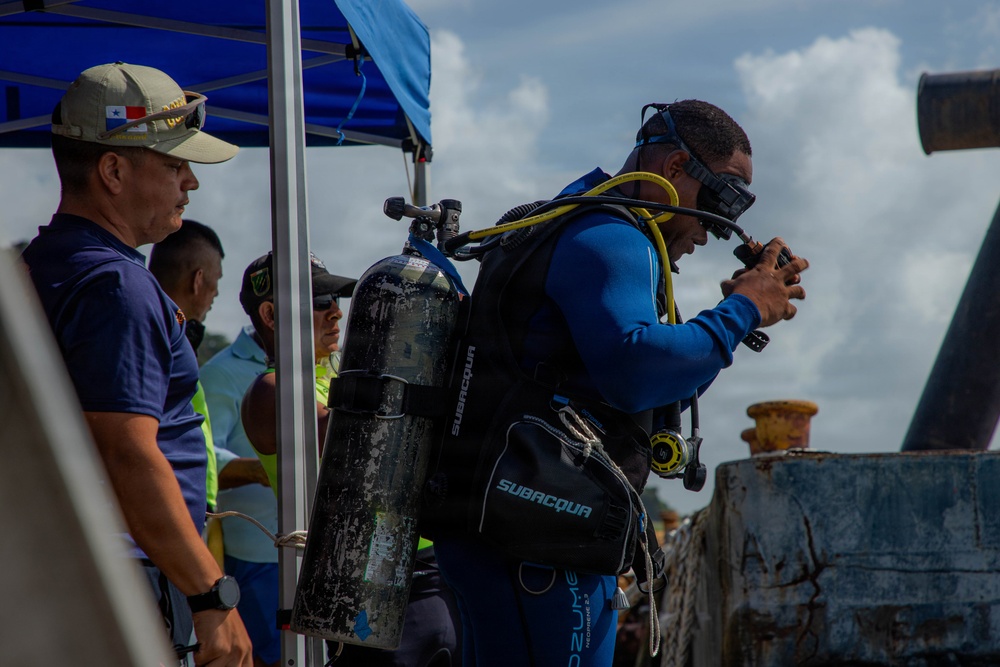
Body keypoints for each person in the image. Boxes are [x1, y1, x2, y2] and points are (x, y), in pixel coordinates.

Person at [428, 99, 809, 666]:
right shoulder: (611, 236)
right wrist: (743, 310)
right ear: (675, 167)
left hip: (504, 535)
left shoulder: (573, 221)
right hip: (538, 547)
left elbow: (647, 393)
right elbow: (636, 371)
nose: (711, 230)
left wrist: (737, 318)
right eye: (718, 200)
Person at [21, 62, 253, 666]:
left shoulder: (43, 263)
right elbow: (126, 451)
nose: (190, 183)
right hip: (122, 580)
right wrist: (211, 596)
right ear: (113, 171)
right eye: (175, 165)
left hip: (70, 573)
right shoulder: (117, 285)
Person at [239, 251, 461, 666]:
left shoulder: (338, 375)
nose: (337, 313)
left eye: (338, 300)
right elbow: (361, 443)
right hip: (369, 582)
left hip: (430, 569)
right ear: (270, 315)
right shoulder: (272, 391)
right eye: (321, 302)